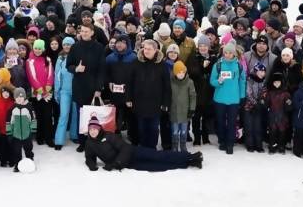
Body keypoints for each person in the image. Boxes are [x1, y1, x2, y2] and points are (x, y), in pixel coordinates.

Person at [84, 115, 202, 172]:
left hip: (133, 152)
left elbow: (125, 148)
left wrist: (116, 163)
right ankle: (187, 163)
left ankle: (190, 157)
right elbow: (89, 157)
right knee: (156, 166)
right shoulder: (89, 143)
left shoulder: (108, 136)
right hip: (128, 164)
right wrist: (92, 165)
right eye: (91, 129)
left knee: (158, 156)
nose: (93, 131)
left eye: (95, 128)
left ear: (99, 129)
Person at [66, 22, 106, 152]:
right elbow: (68, 66)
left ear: (92, 32)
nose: (83, 33)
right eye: (82, 31)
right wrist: (76, 68)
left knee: (94, 116)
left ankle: (94, 141)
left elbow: (102, 70)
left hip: (94, 88)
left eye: (86, 31)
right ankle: (82, 142)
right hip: (79, 87)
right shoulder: (75, 47)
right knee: (81, 116)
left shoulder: (99, 48)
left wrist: (98, 89)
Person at [129, 38, 171, 149]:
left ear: (155, 50)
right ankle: (143, 148)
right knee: (141, 127)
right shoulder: (135, 63)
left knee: (153, 128)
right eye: (144, 48)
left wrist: (166, 102)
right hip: (139, 102)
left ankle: (152, 148)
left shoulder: (162, 65)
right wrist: (128, 98)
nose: (146, 51)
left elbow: (167, 86)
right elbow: (130, 82)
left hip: (156, 103)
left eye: (149, 49)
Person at [209, 41, 246, 154]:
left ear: (234, 54)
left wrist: (242, 96)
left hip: (234, 100)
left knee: (232, 123)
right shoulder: (218, 65)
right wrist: (218, 82)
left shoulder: (239, 66)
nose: (228, 55)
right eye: (226, 52)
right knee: (220, 122)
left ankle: (230, 143)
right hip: (220, 99)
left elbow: (242, 82)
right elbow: (212, 81)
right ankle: (222, 141)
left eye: (230, 53)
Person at [53, 36, 76, 150]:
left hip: (76, 91)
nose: (67, 46)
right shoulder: (60, 58)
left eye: (69, 44)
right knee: (64, 114)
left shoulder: (77, 56)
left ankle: (74, 135)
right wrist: (57, 92)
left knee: (75, 114)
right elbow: (57, 76)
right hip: (64, 91)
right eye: (65, 44)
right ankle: (59, 140)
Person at [169, 61, 196, 153]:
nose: (181, 74)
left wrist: (192, 109)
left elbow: (193, 96)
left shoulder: (189, 82)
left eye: (183, 72)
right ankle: (175, 145)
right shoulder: (171, 82)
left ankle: (183, 145)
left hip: (185, 112)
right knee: (175, 131)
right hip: (174, 112)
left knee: (184, 131)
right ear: (175, 73)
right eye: (179, 72)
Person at [7, 87, 36, 172]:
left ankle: (30, 160)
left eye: (21, 97)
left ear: (24, 97)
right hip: (16, 134)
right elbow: (8, 122)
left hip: (27, 134)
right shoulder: (12, 109)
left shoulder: (29, 107)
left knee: (28, 148)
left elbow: (33, 120)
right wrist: (9, 133)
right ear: (15, 98)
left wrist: (33, 131)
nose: (19, 99)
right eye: (17, 97)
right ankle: (18, 164)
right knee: (16, 151)